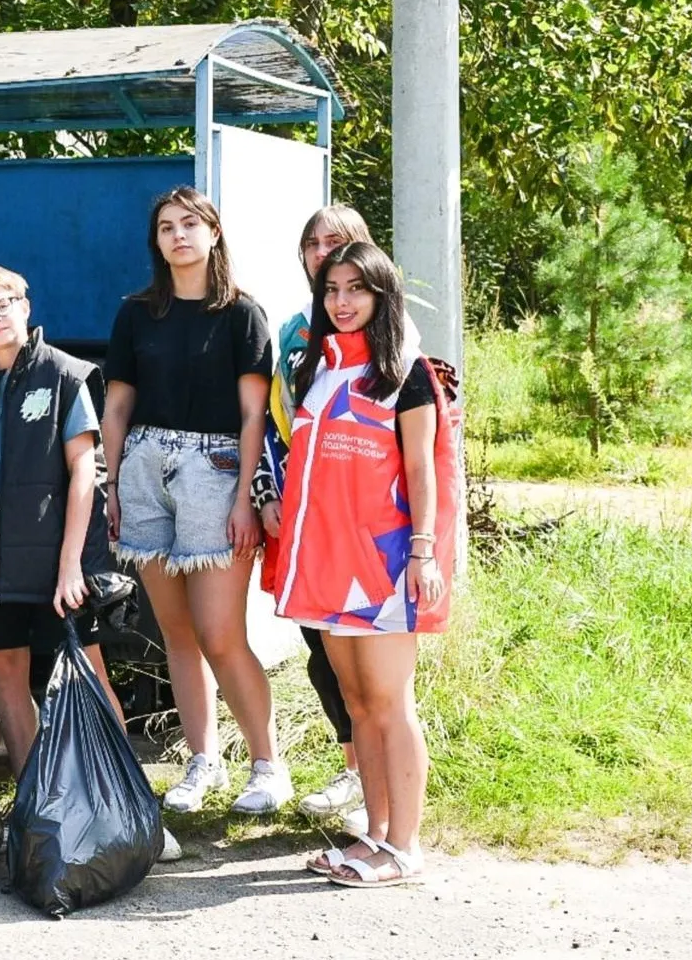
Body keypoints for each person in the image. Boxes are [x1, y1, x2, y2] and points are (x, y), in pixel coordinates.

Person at [0, 264, 184, 863]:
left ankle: (135, 811)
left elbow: (84, 472)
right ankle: (41, 813)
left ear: (25, 303)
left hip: (53, 565)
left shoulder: (65, 376)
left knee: (91, 678)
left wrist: (70, 567)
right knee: (8, 679)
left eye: (2, 304)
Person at [275, 240, 459, 888]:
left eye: (356, 288)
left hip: (381, 566)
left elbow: (422, 471)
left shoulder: (406, 374)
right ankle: (375, 836)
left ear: (382, 296)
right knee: (356, 706)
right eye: (332, 289)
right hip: (326, 564)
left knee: (389, 703)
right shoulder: (317, 370)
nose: (343, 301)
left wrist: (422, 551)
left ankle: (404, 846)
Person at [103, 186, 292, 816]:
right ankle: (201, 760)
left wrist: (245, 498)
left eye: (190, 223)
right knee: (177, 633)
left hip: (216, 470)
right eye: (166, 227)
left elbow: (253, 415)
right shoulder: (136, 313)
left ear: (213, 233)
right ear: (156, 242)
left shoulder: (242, 314)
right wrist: (113, 483)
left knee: (219, 633)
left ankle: (267, 765)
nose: (178, 235)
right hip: (143, 468)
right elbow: (119, 405)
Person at [252, 204, 396, 833]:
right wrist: (265, 491)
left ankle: (386, 793)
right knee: (319, 648)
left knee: (373, 663)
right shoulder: (292, 332)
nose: (321, 252)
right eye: (312, 243)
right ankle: (353, 769)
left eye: (335, 243)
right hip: (299, 512)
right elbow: (268, 420)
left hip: (365, 524)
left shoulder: (391, 335)